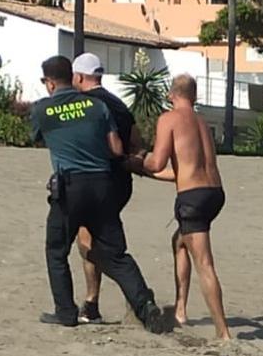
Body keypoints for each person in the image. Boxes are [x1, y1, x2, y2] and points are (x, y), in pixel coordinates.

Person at [32, 56, 170, 333]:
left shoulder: (42, 110)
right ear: (71, 76)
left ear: (49, 83)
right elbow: (118, 149)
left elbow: (39, 136)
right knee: (116, 255)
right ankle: (146, 307)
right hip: (104, 186)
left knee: (56, 250)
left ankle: (66, 311)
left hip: (70, 188)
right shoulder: (98, 106)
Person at [133, 74, 231, 341]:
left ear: (170, 95)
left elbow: (156, 163)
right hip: (215, 193)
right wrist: (145, 172)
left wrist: (135, 162)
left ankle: (223, 332)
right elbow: (181, 173)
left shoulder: (169, 119)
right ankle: (181, 310)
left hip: (193, 199)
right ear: (195, 96)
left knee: (204, 263)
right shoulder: (201, 122)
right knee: (179, 241)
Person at [70, 52, 144, 325]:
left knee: (90, 242)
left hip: (96, 181)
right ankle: (93, 302)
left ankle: (123, 296)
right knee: (94, 236)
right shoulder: (120, 105)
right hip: (122, 182)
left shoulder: (82, 105)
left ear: (78, 77)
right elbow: (136, 142)